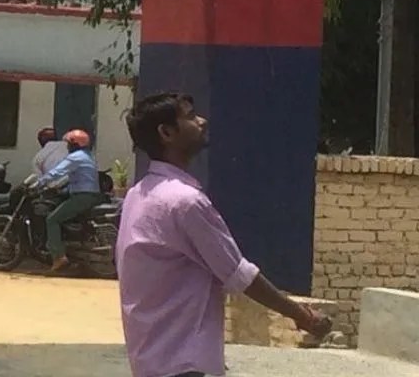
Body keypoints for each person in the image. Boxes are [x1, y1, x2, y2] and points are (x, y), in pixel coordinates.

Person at [116, 92, 331, 377]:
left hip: (152, 360)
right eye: (190, 117)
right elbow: (239, 275)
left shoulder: (137, 195)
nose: (202, 121)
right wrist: (303, 316)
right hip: (182, 363)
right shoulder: (184, 202)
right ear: (166, 133)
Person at [34, 129, 103, 272]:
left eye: (69, 144)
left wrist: (40, 182)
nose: (67, 146)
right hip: (89, 195)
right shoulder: (88, 156)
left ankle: (59, 257)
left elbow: (57, 172)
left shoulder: (75, 157)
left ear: (75, 144)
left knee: (52, 220)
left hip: (82, 196)